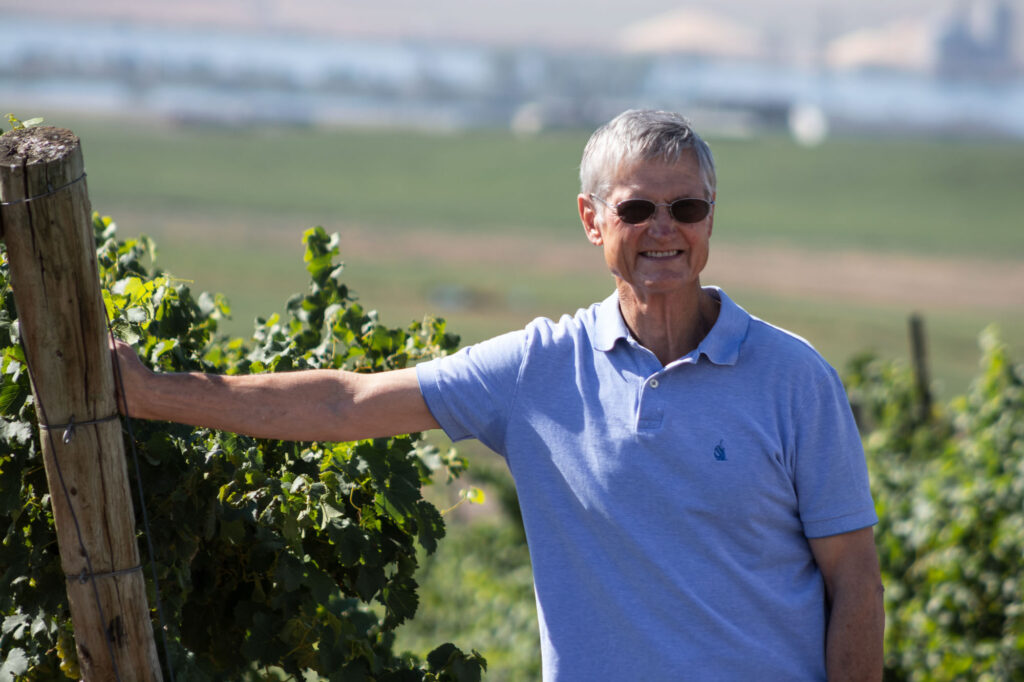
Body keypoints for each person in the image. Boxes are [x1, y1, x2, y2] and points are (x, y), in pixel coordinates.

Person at [114, 109, 885, 681]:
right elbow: (345, 403)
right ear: (591, 219)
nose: (665, 229)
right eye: (636, 209)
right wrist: (151, 394)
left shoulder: (794, 378)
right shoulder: (538, 370)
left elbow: (853, 577)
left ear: (711, 218)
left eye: (687, 208)